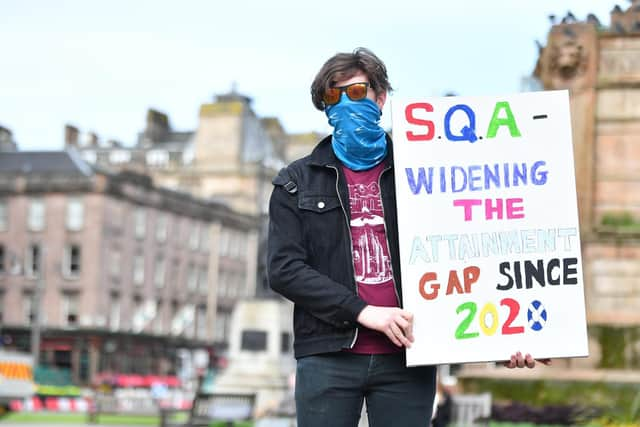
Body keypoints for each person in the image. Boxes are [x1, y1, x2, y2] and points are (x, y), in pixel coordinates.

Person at [267, 47, 550, 427]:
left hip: (409, 356)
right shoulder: (295, 181)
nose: (344, 104)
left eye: (356, 93)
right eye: (332, 97)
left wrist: (503, 341)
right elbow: (284, 269)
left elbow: (470, 252)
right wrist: (363, 311)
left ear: (380, 98)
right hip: (328, 355)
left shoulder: (426, 173)